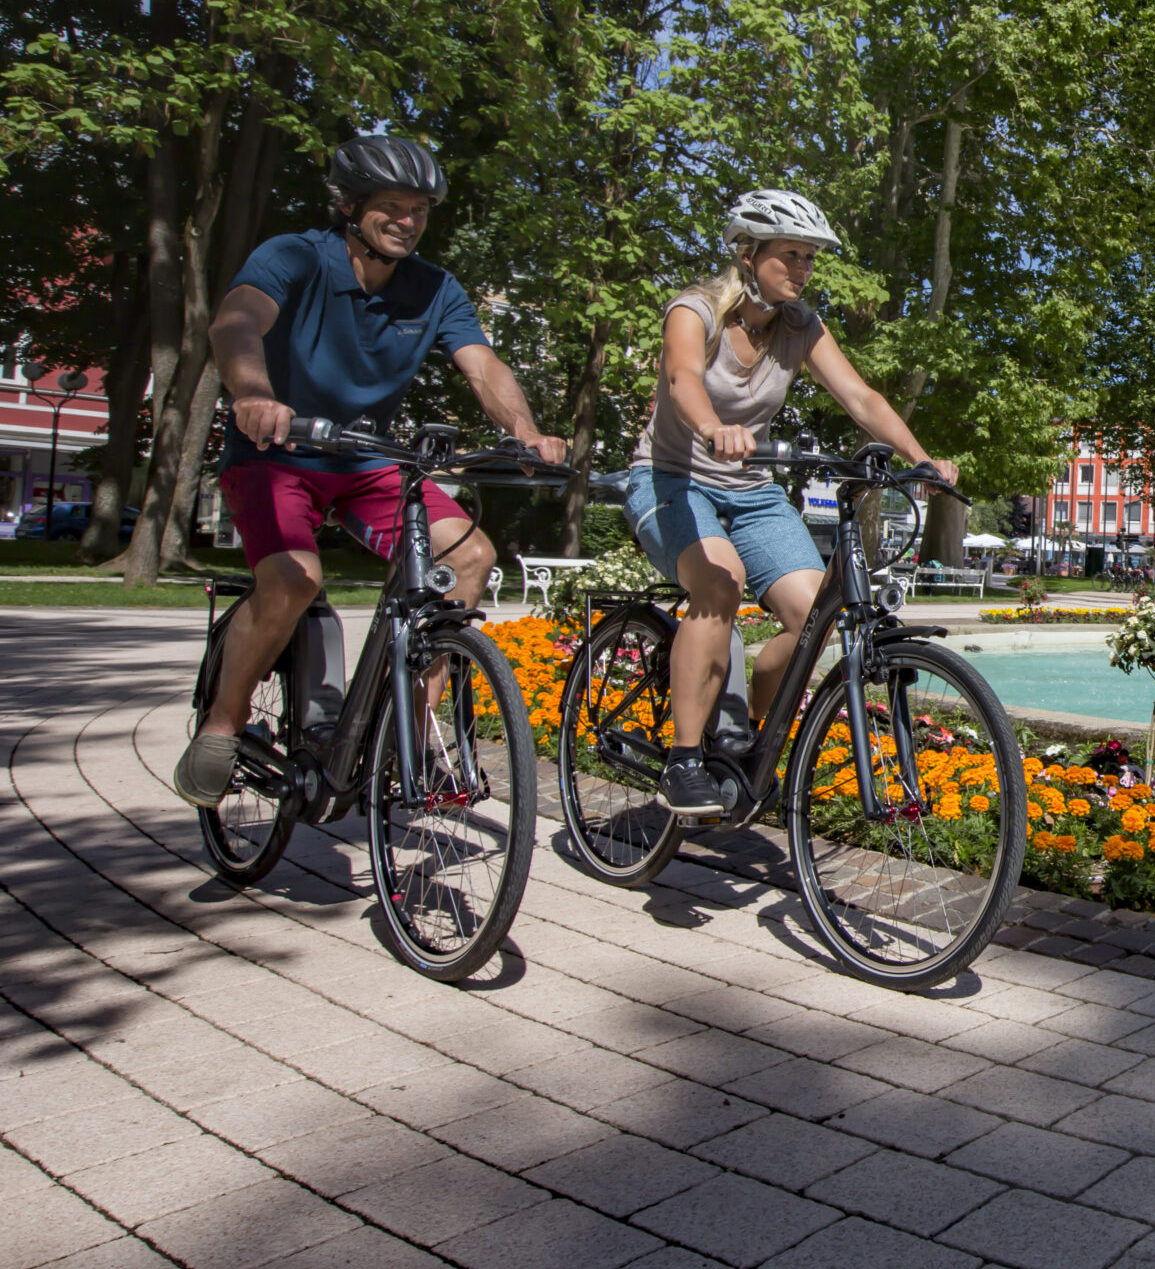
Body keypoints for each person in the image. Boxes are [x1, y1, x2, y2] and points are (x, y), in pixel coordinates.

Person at [174, 137, 569, 807]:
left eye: (419, 209)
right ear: (350, 206)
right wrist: (252, 393)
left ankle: (405, 739)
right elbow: (236, 321)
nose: (407, 220)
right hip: (277, 456)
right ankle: (221, 722)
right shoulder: (294, 255)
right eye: (391, 206)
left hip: (364, 461)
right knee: (293, 579)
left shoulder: (435, 287)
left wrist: (523, 430)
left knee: (469, 556)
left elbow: (482, 365)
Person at [626, 189, 957, 818]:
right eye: (791, 255)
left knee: (815, 617)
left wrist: (920, 458)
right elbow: (683, 380)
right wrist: (712, 429)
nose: (803, 269)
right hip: (671, 478)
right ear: (749, 255)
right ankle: (686, 760)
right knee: (720, 585)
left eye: (809, 258)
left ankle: (746, 738)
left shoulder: (802, 326)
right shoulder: (693, 311)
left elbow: (860, 398)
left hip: (750, 490)